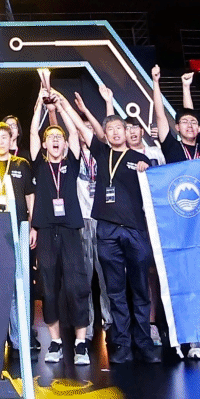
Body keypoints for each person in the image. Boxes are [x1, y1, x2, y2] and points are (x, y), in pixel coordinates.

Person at [71, 87, 163, 368]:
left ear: (127, 131)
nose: (114, 132)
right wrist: (73, 108)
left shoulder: (143, 160)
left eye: (118, 128)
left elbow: (158, 189)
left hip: (135, 230)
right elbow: (82, 129)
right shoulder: (101, 153)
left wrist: (147, 171)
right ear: (106, 134)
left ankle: (144, 343)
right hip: (107, 231)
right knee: (115, 291)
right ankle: (122, 343)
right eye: (109, 129)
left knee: (140, 288)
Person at [28, 101, 92, 368]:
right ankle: (55, 342)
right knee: (49, 287)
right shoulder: (38, 165)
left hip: (69, 230)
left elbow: (74, 131)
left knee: (77, 286)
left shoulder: (72, 163)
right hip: (45, 230)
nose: (55, 139)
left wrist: (61, 106)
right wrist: (39, 107)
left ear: (65, 144)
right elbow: (33, 133)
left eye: (59, 137)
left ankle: (80, 343)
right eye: (51, 137)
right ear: (44, 145)